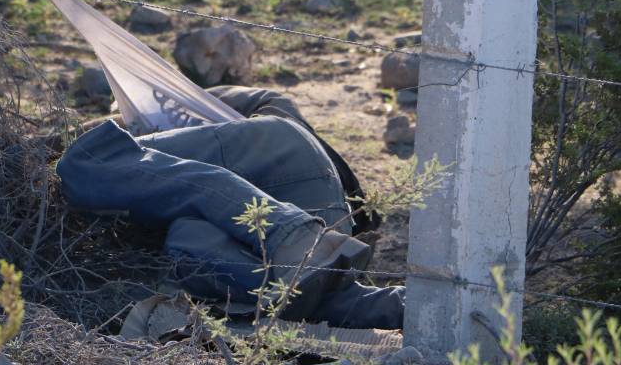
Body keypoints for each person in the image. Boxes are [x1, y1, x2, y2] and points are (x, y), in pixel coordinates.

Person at [56, 86, 404, 329]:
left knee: (85, 159)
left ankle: (291, 233)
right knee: (304, 298)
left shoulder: (194, 101)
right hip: (326, 220)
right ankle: (431, 307)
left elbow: (114, 145)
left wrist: (44, 149)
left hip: (285, 162)